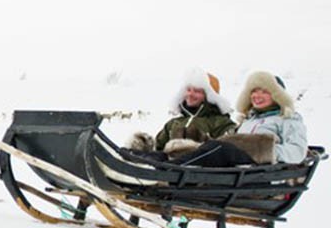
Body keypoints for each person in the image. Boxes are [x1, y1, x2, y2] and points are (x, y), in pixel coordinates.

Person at [173, 71, 308, 168]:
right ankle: (157, 163)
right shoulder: (248, 120)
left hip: (262, 172)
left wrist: (264, 150)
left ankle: (171, 169)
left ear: (277, 96)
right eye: (254, 91)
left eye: (265, 92)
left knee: (219, 148)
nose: (257, 96)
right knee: (204, 145)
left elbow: (297, 151)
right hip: (240, 167)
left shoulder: (287, 119)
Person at [127, 68, 236, 159]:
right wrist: (144, 144)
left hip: (197, 173)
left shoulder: (221, 122)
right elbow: (158, 147)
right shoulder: (174, 123)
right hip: (168, 169)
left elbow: (227, 150)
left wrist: (200, 143)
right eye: (188, 90)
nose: (190, 94)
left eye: (197, 91)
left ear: (210, 97)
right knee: (136, 151)